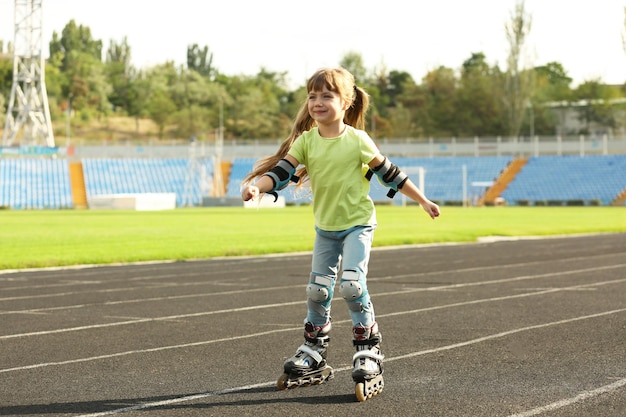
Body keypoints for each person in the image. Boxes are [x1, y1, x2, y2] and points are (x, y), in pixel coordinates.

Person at [241, 67, 440, 394]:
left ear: (346, 102)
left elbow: (391, 174)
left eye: (327, 96)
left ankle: (369, 350)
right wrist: (256, 188)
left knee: (350, 285)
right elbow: (281, 171)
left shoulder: (357, 140)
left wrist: (423, 200)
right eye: (312, 96)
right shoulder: (306, 140)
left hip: (358, 225)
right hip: (326, 228)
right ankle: (314, 351)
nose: (317, 102)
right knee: (317, 290)